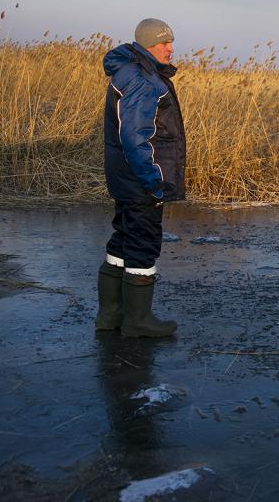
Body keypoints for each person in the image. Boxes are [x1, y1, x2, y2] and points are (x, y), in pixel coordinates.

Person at [95, 18, 186, 337]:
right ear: (146, 44)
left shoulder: (133, 72)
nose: (169, 48)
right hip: (140, 180)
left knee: (123, 239)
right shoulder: (142, 79)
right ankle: (137, 321)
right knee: (143, 244)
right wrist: (154, 182)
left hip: (125, 178)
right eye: (163, 43)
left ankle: (110, 317)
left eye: (170, 42)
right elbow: (136, 137)